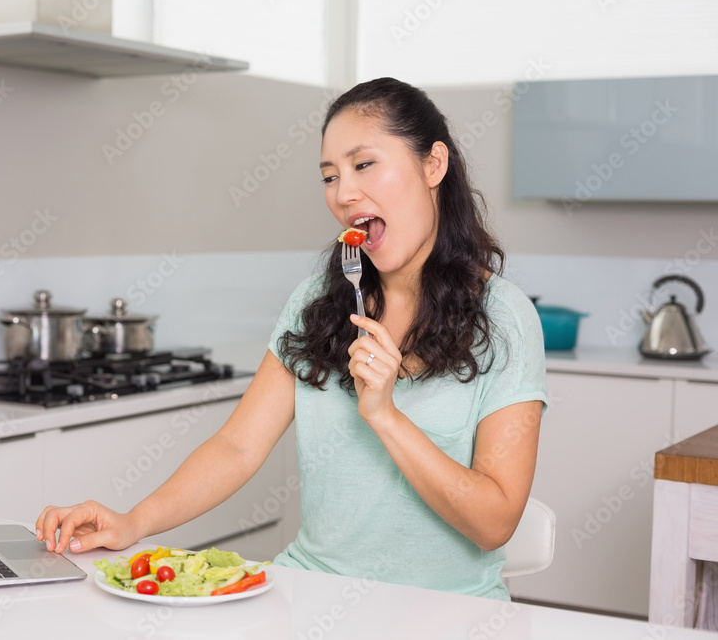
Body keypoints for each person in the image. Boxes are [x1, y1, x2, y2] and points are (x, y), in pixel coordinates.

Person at [35, 77, 547, 600]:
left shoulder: (505, 319)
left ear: (432, 164)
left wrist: (385, 416)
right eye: (330, 176)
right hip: (310, 596)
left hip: (447, 614)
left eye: (364, 164)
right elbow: (237, 446)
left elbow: (494, 522)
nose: (344, 194)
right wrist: (132, 522)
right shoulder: (316, 303)